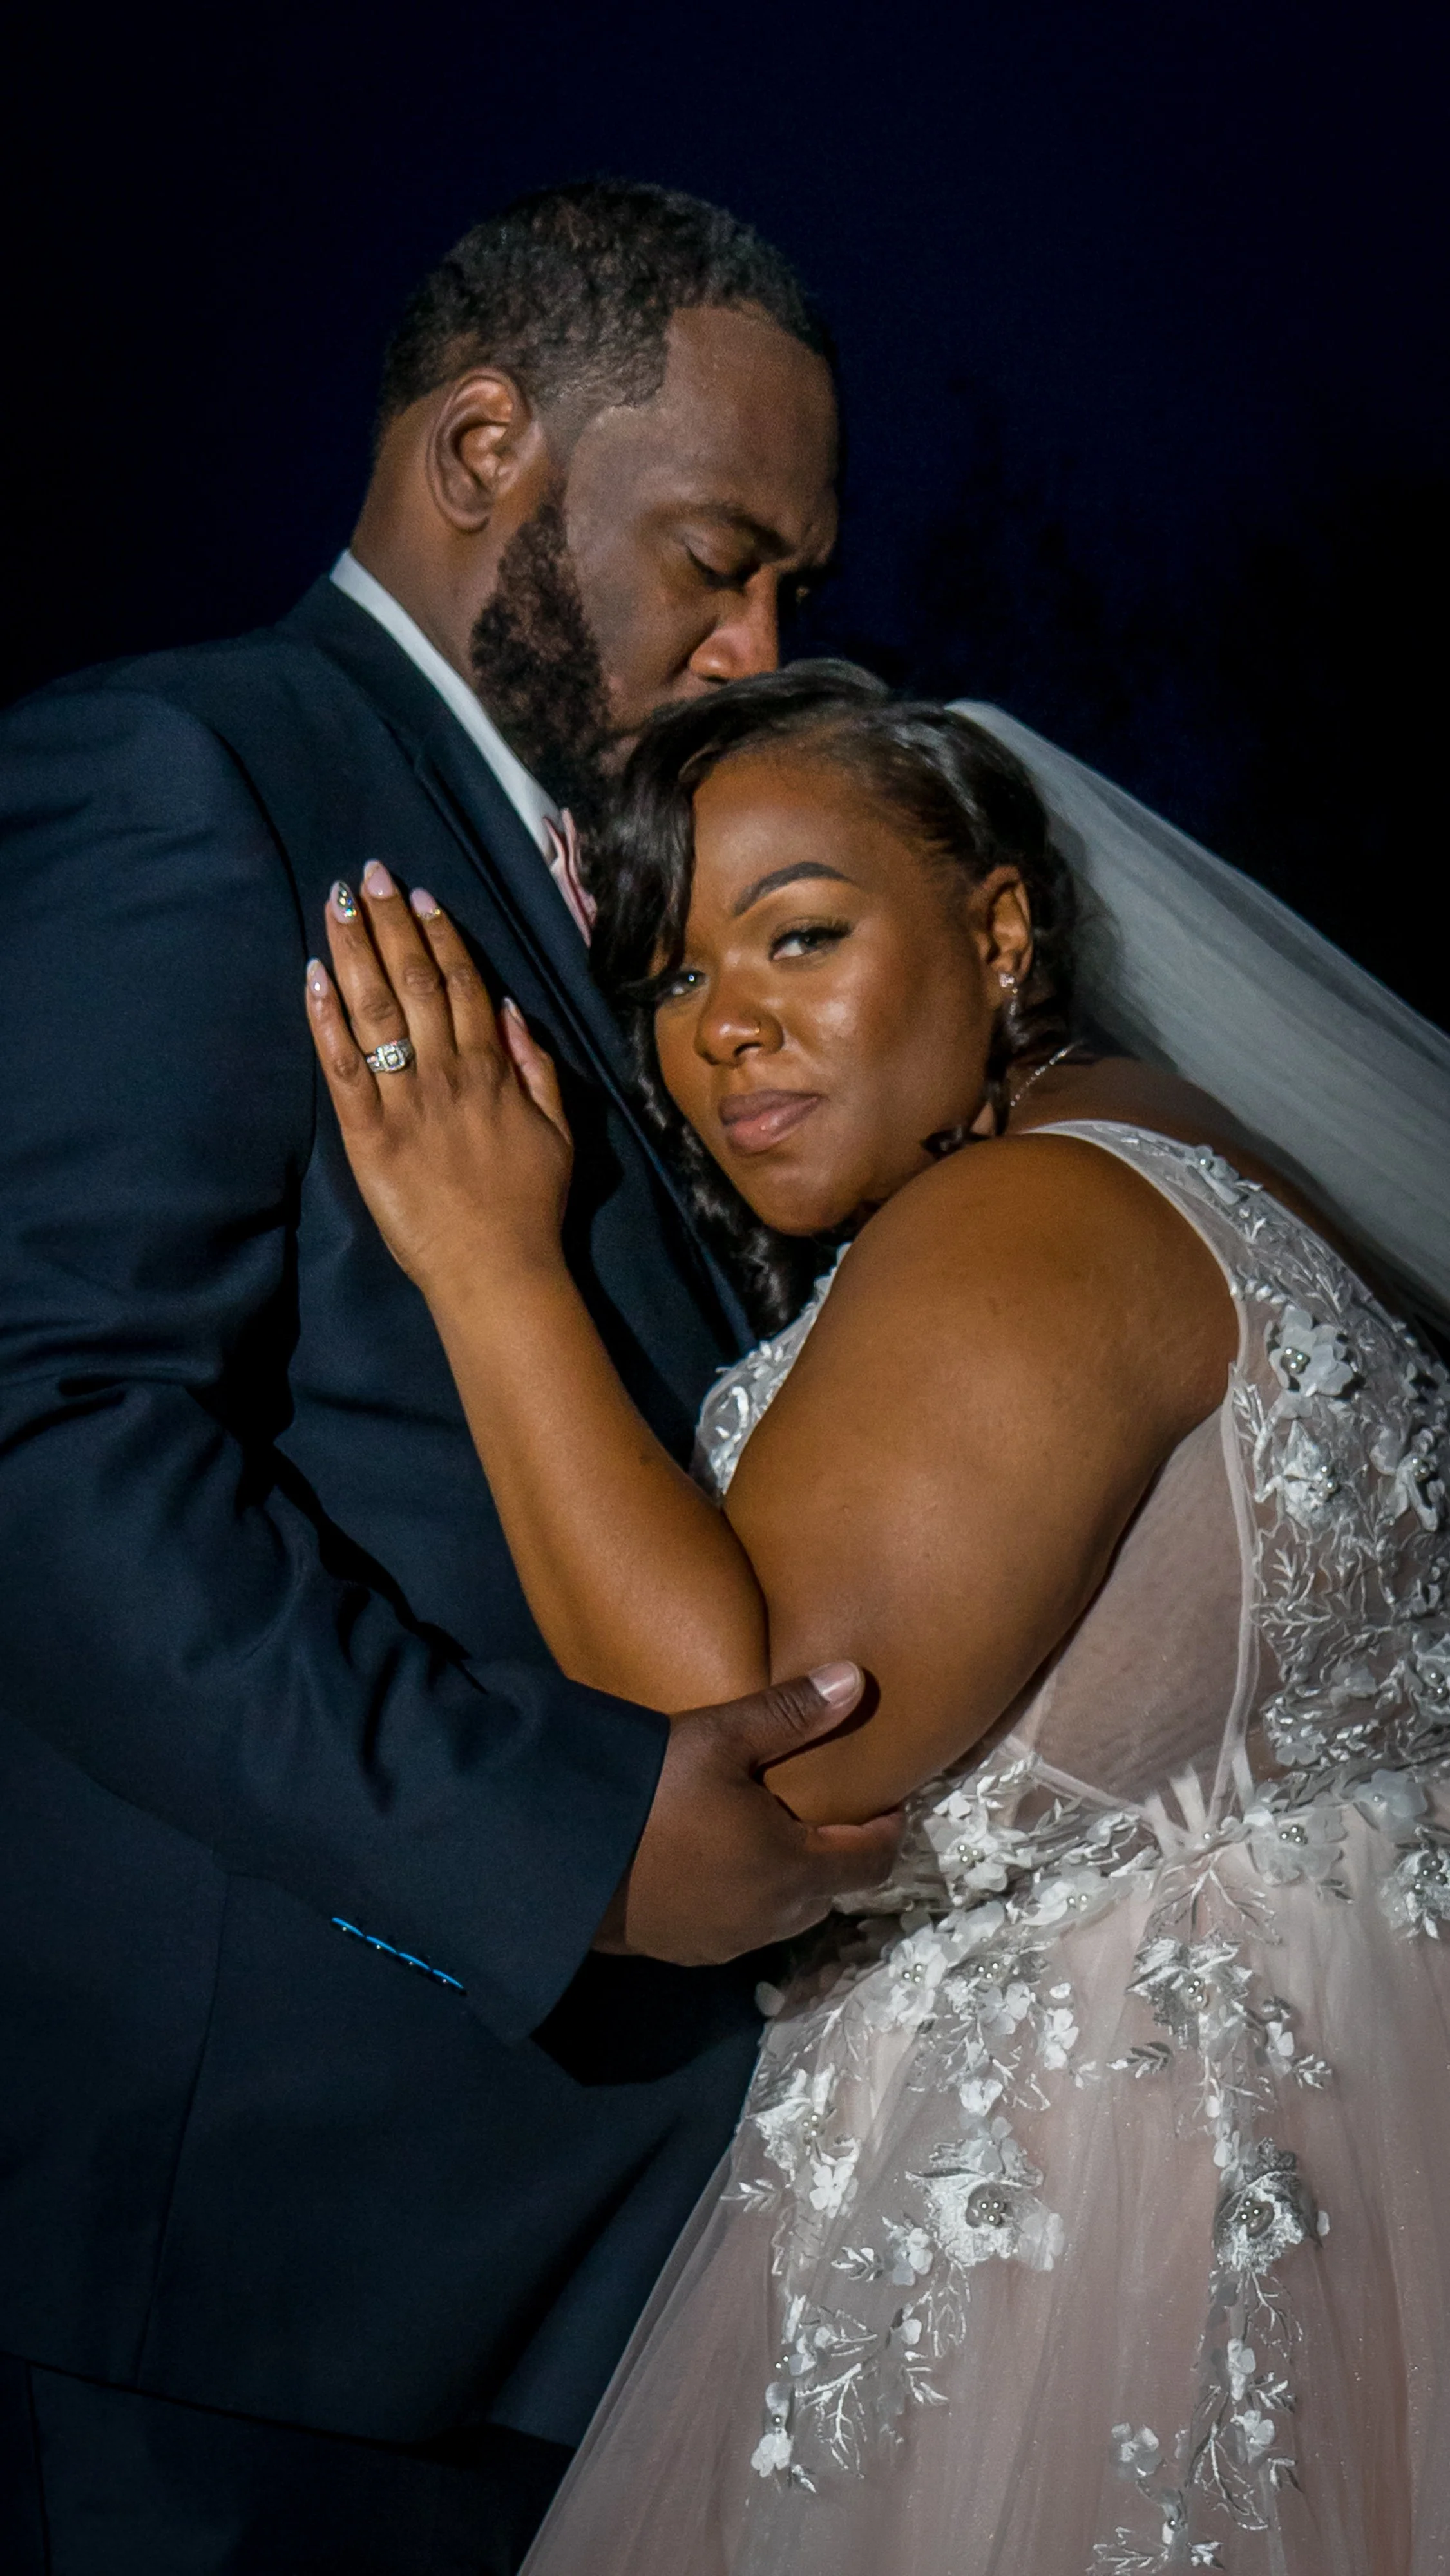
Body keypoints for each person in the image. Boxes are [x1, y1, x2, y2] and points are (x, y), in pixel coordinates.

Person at [303, 662, 1450, 2573]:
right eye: (672, 979)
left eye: (800, 937)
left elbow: (760, 1737)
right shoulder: (1178, 1153)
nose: (722, 1034)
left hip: (1120, 2251)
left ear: (999, 932)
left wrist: (489, 1265)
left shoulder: (1036, 1217)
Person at [0, 185, 902, 2574]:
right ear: (487, 442)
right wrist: (560, 1844)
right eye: (721, 555)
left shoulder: (632, 890)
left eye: (794, 585)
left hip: (595, 2277)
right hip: (272, 2283)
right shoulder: (185, 772)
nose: (760, 643)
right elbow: (43, 1438)